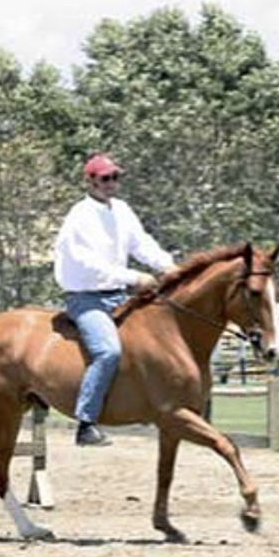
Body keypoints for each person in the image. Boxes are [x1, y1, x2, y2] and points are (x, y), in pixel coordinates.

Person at [54, 153, 176, 446]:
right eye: (105, 178)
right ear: (90, 181)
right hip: (87, 299)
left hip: (118, 294)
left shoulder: (121, 210)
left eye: (115, 177)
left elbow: (142, 244)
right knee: (108, 352)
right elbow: (88, 263)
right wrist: (133, 277)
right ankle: (85, 423)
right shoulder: (79, 216)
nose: (112, 183)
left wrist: (169, 266)